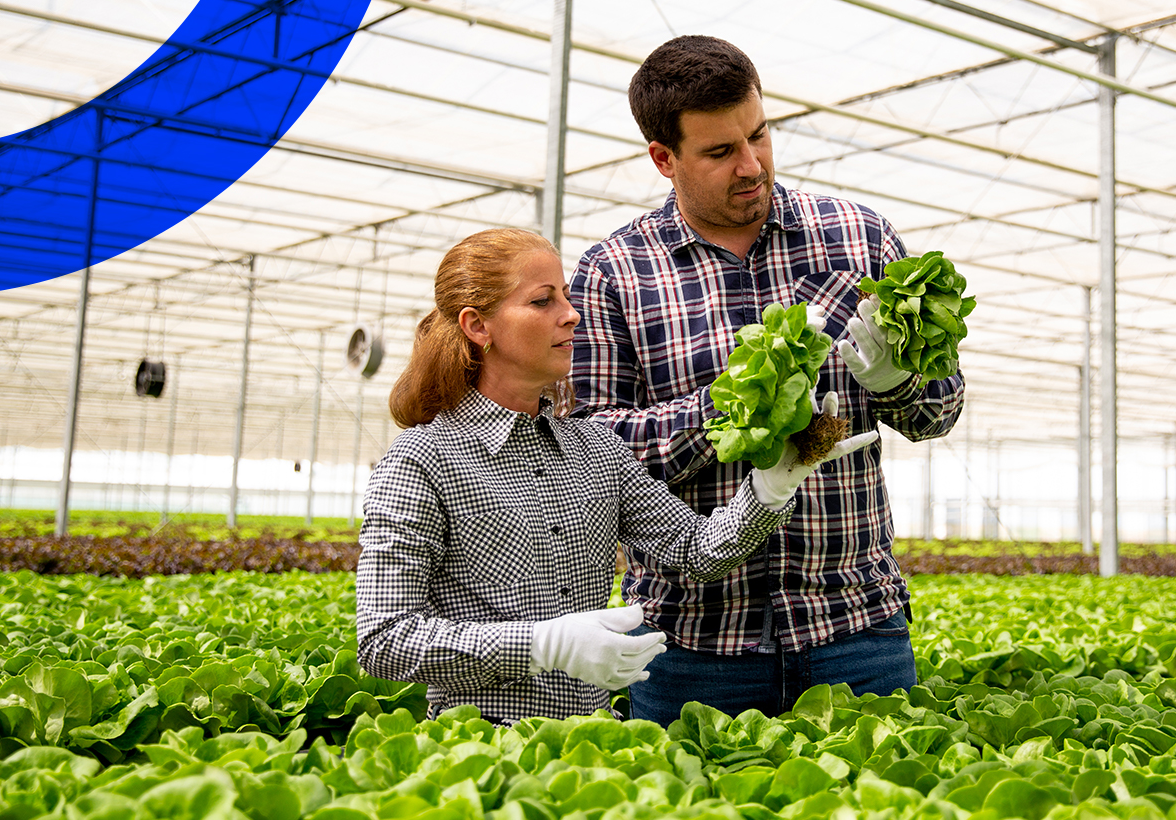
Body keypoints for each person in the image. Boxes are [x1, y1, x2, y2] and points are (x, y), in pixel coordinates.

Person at [568, 35, 967, 725]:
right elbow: (587, 453)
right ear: (664, 159)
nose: (752, 165)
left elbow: (940, 411)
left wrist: (900, 379)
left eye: (759, 135)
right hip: (690, 644)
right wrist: (732, 409)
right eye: (720, 152)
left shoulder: (859, 237)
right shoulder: (615, 272)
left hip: (855, 631)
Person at [355, 227, 872, 725]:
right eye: (543, 301)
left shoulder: (597, 449)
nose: (572, 315)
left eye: (566, 296)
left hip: (594, 745)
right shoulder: (421, 460)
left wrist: (771, 487)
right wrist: (541, 646)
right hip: (476, 751)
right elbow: (383, 641)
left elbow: (695, 550)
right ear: (478, 326)